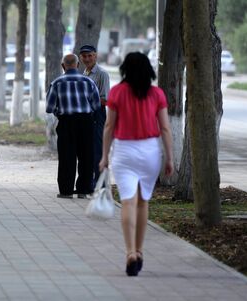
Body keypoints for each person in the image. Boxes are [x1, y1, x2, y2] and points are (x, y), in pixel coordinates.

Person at [98, 52, 173, 277]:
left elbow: (109, 127)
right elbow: (166, 129)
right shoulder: (156, 94)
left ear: (125, 70)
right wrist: (169, 157)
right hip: (150, 151)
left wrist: (104, 156)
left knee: (128, 201)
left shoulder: (117, 93)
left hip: (124, 150)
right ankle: (139, 251)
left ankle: (129, 251)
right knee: (143, 202)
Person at [46, 54, 101, 199]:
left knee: (66, 157)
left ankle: (66, 191)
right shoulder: (88, 82)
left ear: (63, 66)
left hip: (66, 122)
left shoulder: (56, 83)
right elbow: (96, 105)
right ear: (77, 65)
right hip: (86, 122)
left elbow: (49, 108)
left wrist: (60, 111)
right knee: (86, 156)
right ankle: (83, 190)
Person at [79, 44, 111, 188]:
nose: (87, 59)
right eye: (84, 56)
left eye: (90, 55)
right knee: (88, 151)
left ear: (96, 56)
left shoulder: (102, 74)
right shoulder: (84, 73)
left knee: (98, 150)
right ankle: (92, 183)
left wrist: (86, 99)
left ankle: (101, 185)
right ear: (80, 58)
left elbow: (106, 99)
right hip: (86, 116)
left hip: (98, 115)